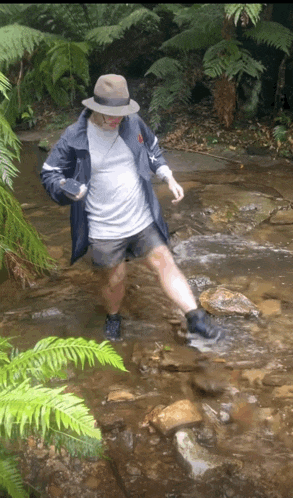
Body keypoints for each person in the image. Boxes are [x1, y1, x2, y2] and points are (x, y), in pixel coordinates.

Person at [41, 74, 224, 346]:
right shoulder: (75, 136)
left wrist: (168, 177)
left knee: (164, 261)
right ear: (95, 108)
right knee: (114, 281)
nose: (117, 119)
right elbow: (50, 173)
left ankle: (195, 317)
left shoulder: (132, 123)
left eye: (122, 113)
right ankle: (113, 317)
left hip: (141, 218)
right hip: (104, 227)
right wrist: (68, 188)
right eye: (111, 114)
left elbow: (151, 148)